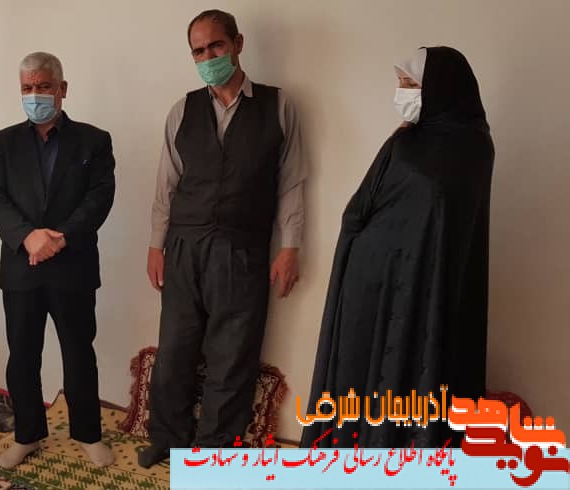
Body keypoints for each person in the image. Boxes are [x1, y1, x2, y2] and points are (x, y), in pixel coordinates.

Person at [300, 46, 494, 449]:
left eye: (411, 83)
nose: (402, 92)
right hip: (373, 289)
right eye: (401, 82)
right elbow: (359, 211)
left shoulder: (475, 148)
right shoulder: (408, 144)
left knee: (419, 372)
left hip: (432, 291)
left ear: (441, 88)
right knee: (360, 377)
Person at [139, 9, 307, 468]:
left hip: (242, 248)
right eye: (198, 51)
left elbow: (292, 182)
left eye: (216, 46)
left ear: (237, 44)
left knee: (232, 355)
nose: (208, 57)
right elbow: (166, 185)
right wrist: (155, 245)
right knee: (175, 348)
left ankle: (214, 452)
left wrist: (290, 247)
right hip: (183, 247)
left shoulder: (278, 106)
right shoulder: (182, 110)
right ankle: (167, 438)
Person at [0, 51, 116, 469]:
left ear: (62, 89)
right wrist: (28, 237)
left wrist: (60, 237)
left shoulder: (94, 140)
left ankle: (88, 434)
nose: (35, 94)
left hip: (73, 266)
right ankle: (28, 435)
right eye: (27, 87)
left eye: (43, 86)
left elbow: (100, 197)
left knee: (79, 354)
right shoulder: (2, 142)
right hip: (21, 268)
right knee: (22, 356)